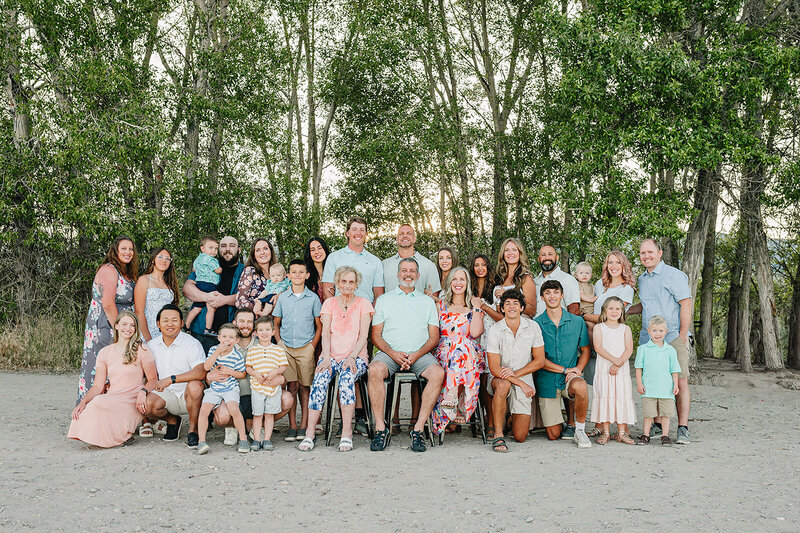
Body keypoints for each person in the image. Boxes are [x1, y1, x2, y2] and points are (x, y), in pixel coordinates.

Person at [367, 257, 444, 453]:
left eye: (412, 271)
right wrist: (393, 354)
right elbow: (375, 335)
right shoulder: (384, 300)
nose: (408, 274)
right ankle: (380, 428)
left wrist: (416, 355)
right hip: (389, 353)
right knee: (374, 370)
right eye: (404, 270)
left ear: (418, 276)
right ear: (397, 274)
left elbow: (434, 337)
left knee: (437, 373)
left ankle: (417, 430)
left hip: (420, 354)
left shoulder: (427, 302)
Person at [299, 266, 374, 452]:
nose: (347, 285)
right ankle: (310, 433)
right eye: (343, 281)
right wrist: (325, 357)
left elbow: (364, 336)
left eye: (351, 282)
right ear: (337, 283)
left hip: (356, 356)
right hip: (331, 355)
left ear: (356, 284)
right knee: (319, 379)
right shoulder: (329, 303)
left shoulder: (364, 304)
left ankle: (347, 432)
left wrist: (352, 357)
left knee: (347, 379)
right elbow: (325, 334)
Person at [628, 238, 693, 444]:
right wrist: (622, 311)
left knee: (679, 381)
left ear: (660, 253)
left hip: (672, 337)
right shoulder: (642, 279)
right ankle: (656, 425)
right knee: (653, 381)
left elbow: (686, 303)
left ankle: (682, 428)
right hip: (648, 338)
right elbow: (645, 306)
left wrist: (683, 335)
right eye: (642, 253)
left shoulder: (673, 275)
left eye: (650, 252)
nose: (646, 256)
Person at [69, 311, 157, 448]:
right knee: (96, 403)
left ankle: (119, 436)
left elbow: (153, 379)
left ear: (136, 328)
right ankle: (106, 436)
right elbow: (98, 386)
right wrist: (83, 402)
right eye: (124, 324)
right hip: (113, 396)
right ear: (116, 326)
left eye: (132, 325)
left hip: (133, 397)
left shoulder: (142, 349)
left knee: (102, 404)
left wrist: (143, 392)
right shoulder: (105, 352)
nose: (128, 328)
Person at [78, 236, 138, 403]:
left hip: (120, 324)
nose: (128, 252)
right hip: (106, 325)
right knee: (102, 367)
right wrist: (119, 330)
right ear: (115, 251)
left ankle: (113, 409)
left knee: (118, 368)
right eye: (123, 248)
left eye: (131, 249)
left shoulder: (125, 272)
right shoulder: (109, 270)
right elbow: (108, 304)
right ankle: (90, 408)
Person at [533, 279, 592, 448]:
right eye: (547, 293)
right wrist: (565, 370)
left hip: (570, 377)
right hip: (547, 380)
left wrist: (577, 370)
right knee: (553, 434)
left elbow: (586, 351)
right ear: (542, 297)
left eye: (556, 292)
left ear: (562, 295)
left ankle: (579, 430)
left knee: (580, 386)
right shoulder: (536, 324)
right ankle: (564, 422)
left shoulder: (577, 321)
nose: (552, 296)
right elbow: (539, 359)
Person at [485, 289, 545, 452]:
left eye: (515, 303)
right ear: (502, 308)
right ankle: (498, 435)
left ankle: (509, 417)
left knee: (520, 436)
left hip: (523, 377)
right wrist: (519, 382)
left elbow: (540, 360)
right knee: (503, 385)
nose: (511, 306)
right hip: (499, 377)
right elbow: (494, 368)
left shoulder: (533, 327)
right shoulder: (495, 329)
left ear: (522, 308)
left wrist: (517, 376)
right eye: (507, 303)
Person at [142, 305, 207, 447]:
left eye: (174, 320)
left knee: (196, 386)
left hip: (188, 394)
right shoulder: (152, 345)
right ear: (158, 324)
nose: (170, 324)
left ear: (182, 323)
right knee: (145, 405)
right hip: (165, 394)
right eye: (165, 320)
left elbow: (201, 372)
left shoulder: (192, 343)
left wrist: (171, 379)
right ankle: (172, 421)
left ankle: (193, 430)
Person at [431, 267, 485, 434]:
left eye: (462, 279)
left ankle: (452, 397)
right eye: (454, 279)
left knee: (462, 344)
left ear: (467, 283)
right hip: (444, 352)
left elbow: (475, 333)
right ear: (449, 283)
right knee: (458, 344)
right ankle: (460, 405)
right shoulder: (440, 306)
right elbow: (433, 334)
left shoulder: (473, 307)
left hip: (467, 355)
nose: (458, 283)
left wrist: (477, 307)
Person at [273, 259, 322, 441]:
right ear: (288, 275)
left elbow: (319, 325)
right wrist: (280, 343)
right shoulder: (283, 298)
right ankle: (292, 426)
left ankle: (304, 426)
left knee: (304, 386)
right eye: (293, 272)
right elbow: (276, 323)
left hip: (305, 348)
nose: (297, 275)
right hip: (286, 347)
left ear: (307, 275)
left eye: (301, 272)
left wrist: (312, 346)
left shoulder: (313, 298)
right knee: (291, 386)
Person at [183, 235, 245, 353]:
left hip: (233, 334)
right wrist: (207, 297)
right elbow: (187, 288)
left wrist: (224, 300)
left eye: (232, 246)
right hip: (202, 333)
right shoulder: (206, 264)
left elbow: (249, 297)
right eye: (223, 246)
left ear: (239, 250)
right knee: (202, 364)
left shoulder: (245, 271)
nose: (227, 249)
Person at [196, 324, 249, 454]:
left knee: (233, 408)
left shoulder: (237, 356)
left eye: (231, 337)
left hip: (230, 388)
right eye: (224, 336)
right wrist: (217, 352)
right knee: (204, 410)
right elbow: (207, 367)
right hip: (214, 388)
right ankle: (201, 441)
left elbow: (242, 374)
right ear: (219, 338)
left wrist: (230, 371)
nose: (227, 340)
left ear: (236, 340)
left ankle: (243, 439)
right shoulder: (213, 350)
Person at [590, 297, 636, 445]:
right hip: (604, 368)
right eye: (611, 308)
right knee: (605, 395)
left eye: (618, 309)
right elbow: (598, 347)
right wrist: (614, 360)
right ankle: (606, 432)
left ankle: (621, 433)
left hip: (620, 370)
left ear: (622, 311)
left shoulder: (625, 329)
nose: (614, 311)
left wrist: (618, 363)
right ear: (604, 310)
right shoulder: (599, 328)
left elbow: (629, 349)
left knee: (621, 396)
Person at [635, 316, 681, 446]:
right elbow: (638, 368)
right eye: (654, 330)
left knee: (666, 414)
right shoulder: (643, 349)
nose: (657, 334)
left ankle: (665, 436)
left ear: (666, 331)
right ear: (649, 331)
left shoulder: (670, 350)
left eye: (661, 330)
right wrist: (639, 384)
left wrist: (676, 385)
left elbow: (674, 370)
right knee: (648, 413)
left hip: (666, 389)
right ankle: (646, 435)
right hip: (649, 388)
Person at [246, 316, 291, 452]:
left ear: (273, 332)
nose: (264, 333)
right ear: (255, 333)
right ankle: (256, 439)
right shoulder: (252, 350)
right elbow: (248, 368)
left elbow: (283, 366)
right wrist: (256, 375)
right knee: (257, 414)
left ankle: (267, 439)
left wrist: (275, 372)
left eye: (267, 329)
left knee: (269, 414)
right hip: (257, 387)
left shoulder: (278, 350)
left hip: (273, 388)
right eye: (260, 330)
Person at [469, 253, 500, 435]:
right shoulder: (469, 288)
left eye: (483, 265)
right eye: (476, 265)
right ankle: (476, 418)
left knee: (488, 377)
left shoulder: (496, 290)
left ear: (488, 267)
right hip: (473, 336)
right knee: (477, 379)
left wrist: (484, 307)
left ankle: (491, 421)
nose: (480, 268)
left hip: (490, 336)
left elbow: (501, 317)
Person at [321, 216, 384, 303]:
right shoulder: (333, 257)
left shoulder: (375, 261)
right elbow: (327, 291)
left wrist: (370, 310)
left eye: (362, 230)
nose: (358, 233)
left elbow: (379, 294)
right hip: (340, 309)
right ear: (347, 233)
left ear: (366, 234)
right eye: (354, 229)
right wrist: (336, 309)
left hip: (366, 310)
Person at [134, 247, 179, 342]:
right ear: (153, 259)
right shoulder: (144, 280)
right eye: (160, 257)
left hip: (165, 331)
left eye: (167, 258)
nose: (164, 260)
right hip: (147, 331)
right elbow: (139, 312)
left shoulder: (169, 283)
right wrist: (148, 339)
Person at [382, 223, 441, 296]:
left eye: (409, 233)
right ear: (397, 239)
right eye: (401, 234)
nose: (405, 236)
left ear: (414, 239)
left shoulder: (429, 265)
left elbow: (434, 297)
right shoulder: (384, 265)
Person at [185, 235, 223, 334]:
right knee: (211, 308)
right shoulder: (211, 259)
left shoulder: (198, 259)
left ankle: (186, 325)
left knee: (197, 308)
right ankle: (208, 329)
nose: (214, 251)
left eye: (216, 248)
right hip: (209, 285)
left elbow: (194, 270)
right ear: (203, 248)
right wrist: (220, 269)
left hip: (199, 284)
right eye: (211, 248)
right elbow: (218, 270)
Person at [491, 238, 537, 318]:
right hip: (502, 323)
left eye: (514, 250)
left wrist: (507, 295)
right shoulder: (499, 278)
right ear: (503, 254)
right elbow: (500, 311)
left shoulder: (526, 278)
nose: (510, 253)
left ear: (520, 253)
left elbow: (532, 310)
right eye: (507, 250)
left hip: (521, 323)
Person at [533, 245, 580, 318]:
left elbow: (574, 311)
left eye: (550, 254)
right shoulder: (534, 282)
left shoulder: (567, 279)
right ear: (539, 259)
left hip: (560, 324)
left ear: (557, 258)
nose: (547, 258)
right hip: (536, 324)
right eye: (543, 255)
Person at [235, 238, 277, 311]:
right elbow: (241, 302)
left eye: (265, 248)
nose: (262, 252)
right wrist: (264, 310)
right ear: (254, 255)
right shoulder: (250, 271)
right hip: (257, 316)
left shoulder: (278, 272)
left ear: (271, 251)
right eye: (258, 250)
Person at [304, 236, 330, 302]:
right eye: (312, 250)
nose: (317, 252)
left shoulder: (333, 271)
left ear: (325, 249)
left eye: (319, 248)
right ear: (309, 253)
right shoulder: (305, 275)